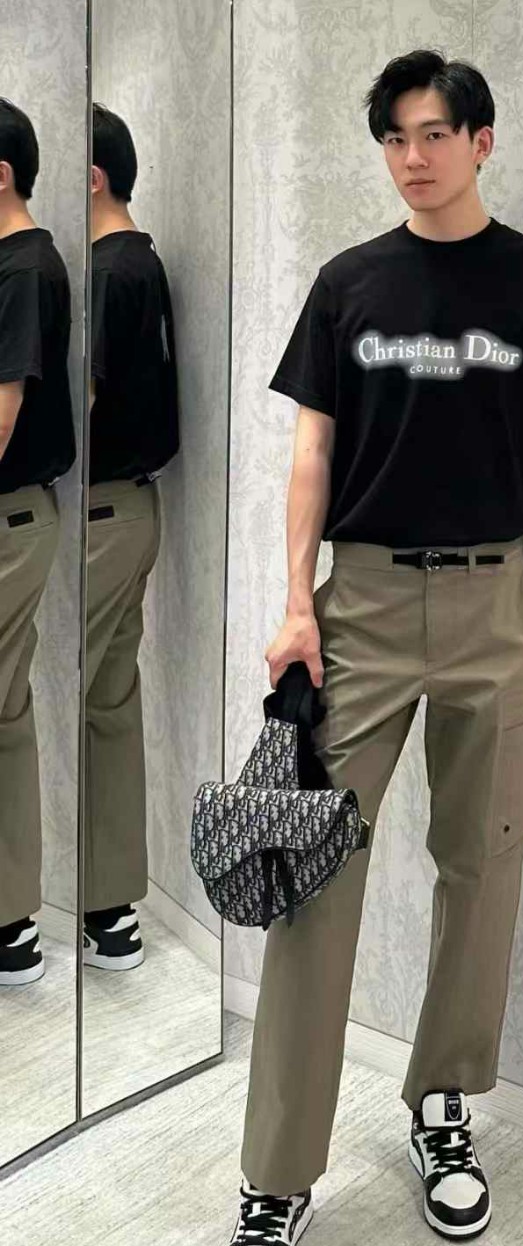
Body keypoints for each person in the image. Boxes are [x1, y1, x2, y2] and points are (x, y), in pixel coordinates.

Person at [219, 48, 523, 1246]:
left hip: (497, 602)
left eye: (435, 132)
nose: (413, 155)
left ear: (480, 141)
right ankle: (274, 1179)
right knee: (312, 877)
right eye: (395, 136)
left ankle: (442, 1103)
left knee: (480, 863)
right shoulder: (347, 284)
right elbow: (310, 452)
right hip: (364, 605)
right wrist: (294, 602)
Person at [83, 103, 179, 971]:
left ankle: (33, 914)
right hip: (131, 509)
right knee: (108, 705)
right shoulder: (140, 263)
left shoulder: (107, 274)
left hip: (97, 516)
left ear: (92, 180)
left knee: (49, 706)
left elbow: (78, 403)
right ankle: (110, 911)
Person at [0, 97, 76, 987]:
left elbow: (4, 411)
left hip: (10, 517)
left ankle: (11, 926)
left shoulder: (23, 269)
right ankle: (11, 922)